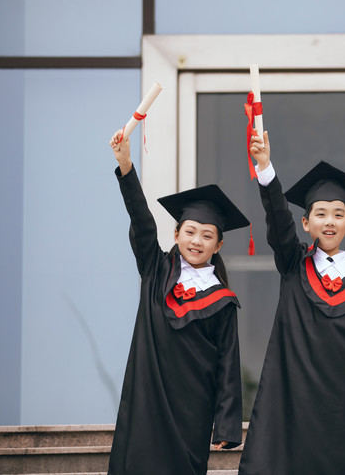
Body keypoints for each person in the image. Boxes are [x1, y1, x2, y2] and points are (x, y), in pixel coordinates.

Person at [238, 130, 345, 475]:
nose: (330, 221)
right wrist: (265, 168)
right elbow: (278, 223)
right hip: (291, 396)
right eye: (320, 214)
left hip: (343, 400)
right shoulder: (295, 266)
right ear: (306, 223)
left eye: (338, 214)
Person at [107, 129, 246, 475]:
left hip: (191, 410)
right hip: (147, 399)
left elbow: (228, 364)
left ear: (218, 245)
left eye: (207, 235)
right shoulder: (156, 270)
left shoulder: (223, 301)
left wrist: (226, 424)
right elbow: (141, 221)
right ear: (176, 234)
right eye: (190, 231)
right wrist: (126, 166)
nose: (196, 241)